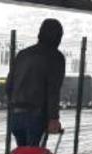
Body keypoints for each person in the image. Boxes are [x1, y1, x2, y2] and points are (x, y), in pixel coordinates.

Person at [7, 19, 66, 147]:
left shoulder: (22, 54)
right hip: (36, 117)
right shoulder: (56, 57)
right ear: (58, 37)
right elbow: (53, 90)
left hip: (16, 115)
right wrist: (53, 118)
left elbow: (9, 85)